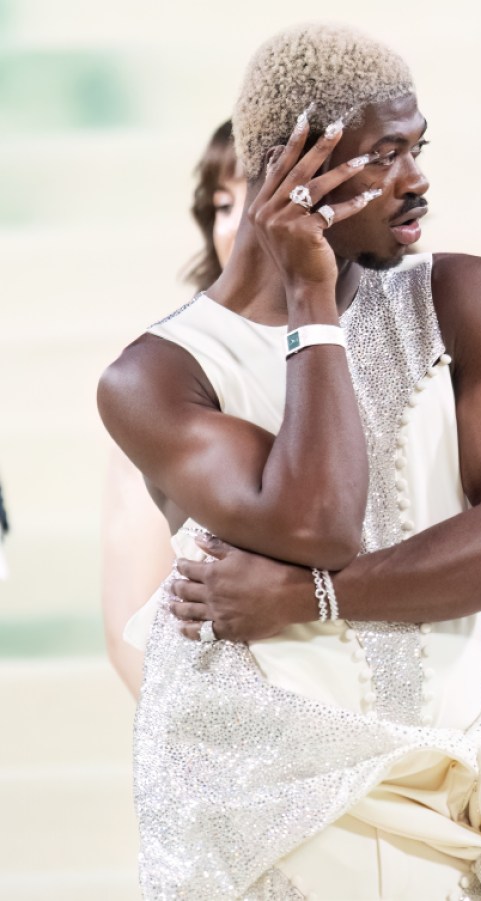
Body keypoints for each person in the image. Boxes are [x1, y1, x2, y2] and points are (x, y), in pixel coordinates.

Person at [98, 23, 481, 900]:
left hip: (444, 809)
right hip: (276, 830)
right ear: (293, 170)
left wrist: (306, 597)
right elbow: (320, 521)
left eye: (418, 147)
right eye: (385, 154)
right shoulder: (157, 376)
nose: (418, 178)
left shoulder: (469, 298)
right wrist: (314, 302)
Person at [101, 121, 246, 696]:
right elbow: (132, 631)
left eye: (258, 195)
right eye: (221, 204)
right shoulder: (158, 385)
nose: (232, 226)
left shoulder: (436, 365)